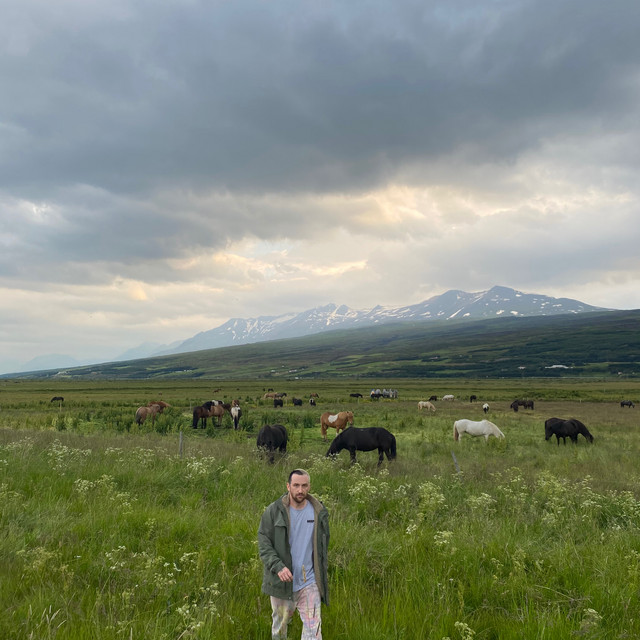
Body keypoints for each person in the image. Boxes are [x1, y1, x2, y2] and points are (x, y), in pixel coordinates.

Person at [258, 469, 330, 640]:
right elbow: (264, 543)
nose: (300, 490)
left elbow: (323, 545)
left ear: (309, 486)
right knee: (280, 628)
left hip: (309, 581)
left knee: (314, 630)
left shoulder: (318, 512)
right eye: (296, 485)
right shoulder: (274, 511)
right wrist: (278, 567)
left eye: (304, 486)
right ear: (288, 486)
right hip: (282, 582)